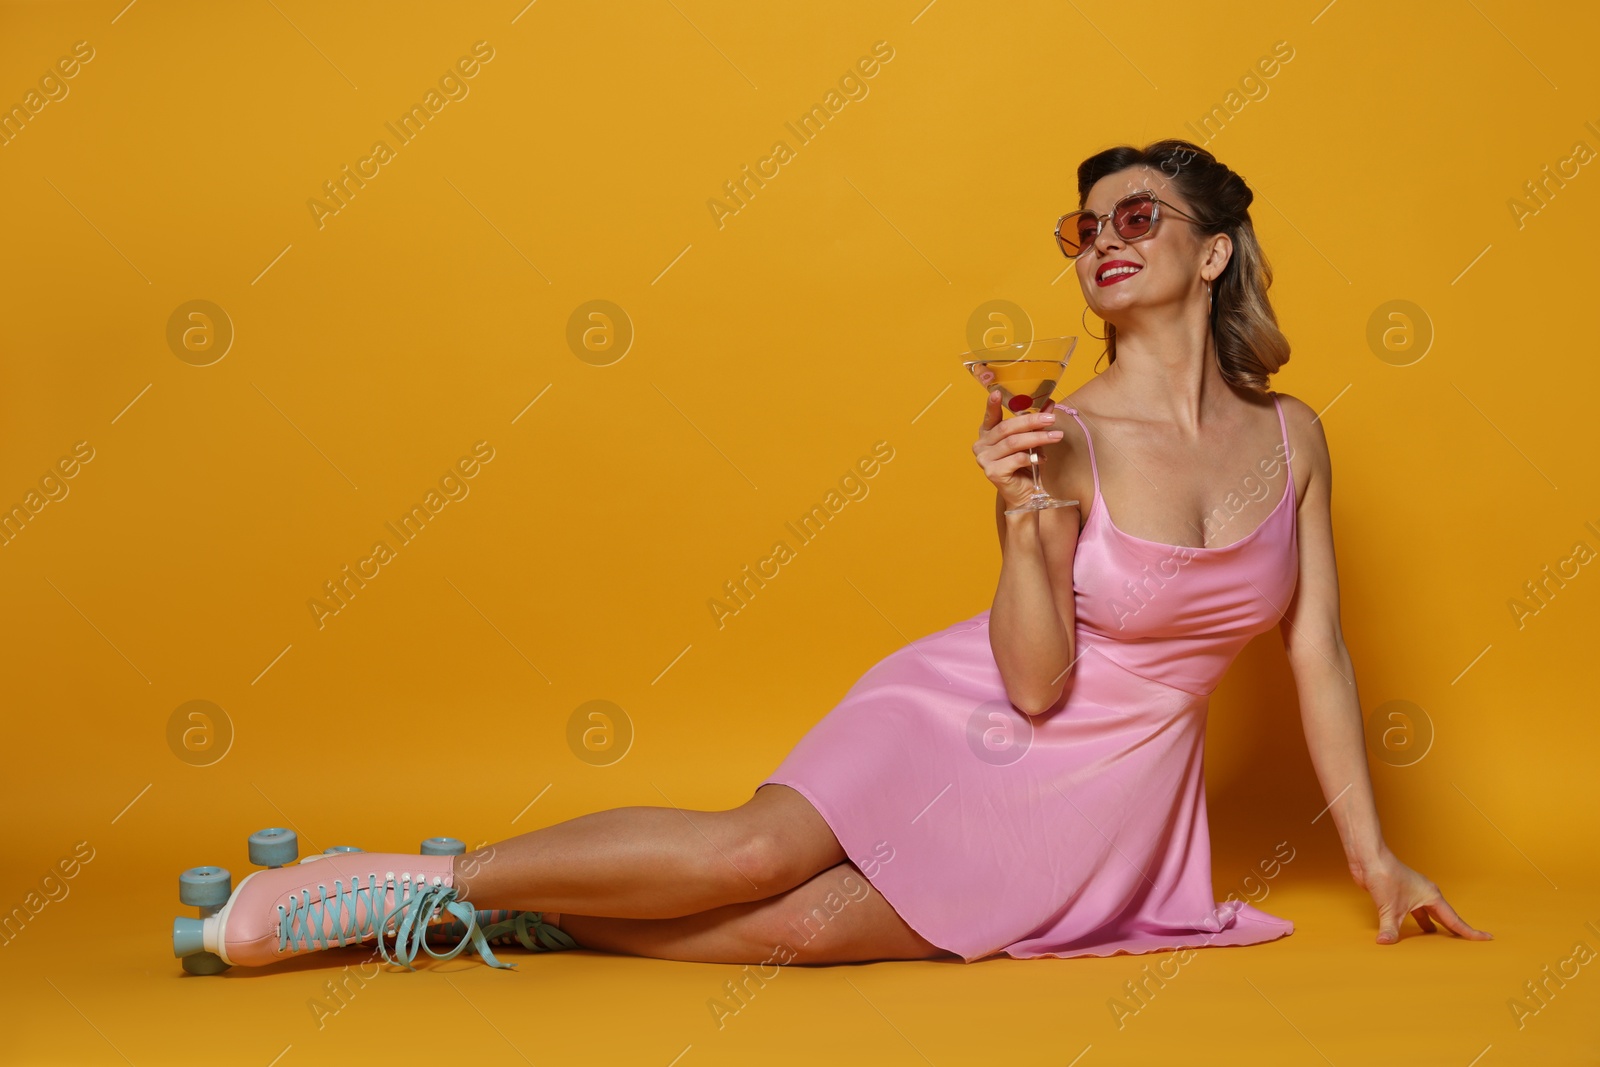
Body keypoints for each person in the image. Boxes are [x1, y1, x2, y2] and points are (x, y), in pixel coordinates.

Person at [174, 138, 1491, 973]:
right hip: (977, 708)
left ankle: (527, 908)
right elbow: (1034, 685)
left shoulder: (1294, 437)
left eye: (1138, 218)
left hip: (1119, 793)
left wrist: (1374, 858)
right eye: (1083, 227)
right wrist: (1024, 518)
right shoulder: (1058, 434)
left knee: (805, 935)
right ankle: (407, 883)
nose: (1103, 242)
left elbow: (1314, 647)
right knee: (752, 860)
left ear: (1212, 253)